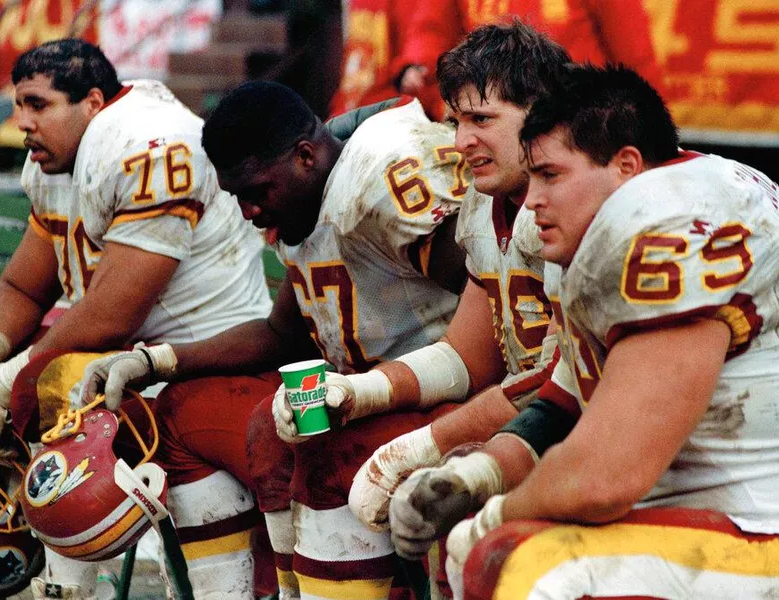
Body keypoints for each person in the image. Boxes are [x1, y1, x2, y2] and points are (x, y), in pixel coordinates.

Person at [81, 81, 478, 600]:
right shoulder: (309, 200)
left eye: (258, 191)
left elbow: (485, 295)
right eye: (238, 197)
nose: (248, 212)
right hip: (364, 399)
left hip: (447, 395)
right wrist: (157, 362)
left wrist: (380, 392)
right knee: (179, 411)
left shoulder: (380, 178)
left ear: (306, 157)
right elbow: (280, 334)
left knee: (318, 450)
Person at [424, 63, 779, 598]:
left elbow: (603, 479)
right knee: (472, 534)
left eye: (550, 174)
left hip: (753, 524)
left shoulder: (668, 220)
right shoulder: (593, 233)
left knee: (527, 566)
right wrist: (482, 474)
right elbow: (564, 401)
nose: (534, 199)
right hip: (676, 517)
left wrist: (496, 513)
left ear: (626, 166)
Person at [0, 39, 272, 599]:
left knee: (52, 387)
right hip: (125, 367)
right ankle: (59, 587)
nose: (22, 124)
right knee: (45, 382)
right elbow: (21, 285)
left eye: (38, 105)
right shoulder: (60, 159)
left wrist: (8, 381)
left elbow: (115, 314)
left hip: (206, 362)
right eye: (19, 106)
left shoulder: (150, 143)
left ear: (92, 101)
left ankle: (66, 585)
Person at [341, 21, 571, 537]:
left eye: (482, 119)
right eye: (456, 120)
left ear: (545, 113)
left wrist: (423, 445)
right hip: (536, 418)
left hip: (592, 430)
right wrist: (360, 391)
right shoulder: (483, 202)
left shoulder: (576, 202)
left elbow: (559, 378)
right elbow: (467, 355)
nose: (462, 141)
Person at [332, 0, 662, 122]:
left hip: (575, 123)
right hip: (491, 122)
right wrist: (416, 65)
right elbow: (432, 26)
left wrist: (653, 132)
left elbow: (635, 56)